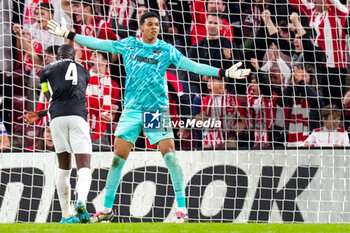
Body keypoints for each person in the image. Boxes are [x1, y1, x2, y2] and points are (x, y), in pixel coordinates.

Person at [47, 12, 250, 223]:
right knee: (117, 158)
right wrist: (70, 34)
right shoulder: (129, 45)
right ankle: (107, 210)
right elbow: (100, 43)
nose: (155, 28)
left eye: (157, 25)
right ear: (141, 27)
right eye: (151, 24)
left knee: (170, 155)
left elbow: (192, 65)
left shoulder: (165, 49)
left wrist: (223, 73)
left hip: (155, 110)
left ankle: (182, 211)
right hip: (132, 110)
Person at [19, 44, 92, 224]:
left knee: (64, 167)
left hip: (57, 119)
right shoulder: (84, 71)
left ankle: (66, 216)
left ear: (58, 56)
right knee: (84, 166)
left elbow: (49, 96)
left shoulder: (46, 70)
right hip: (78, 117)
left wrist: (39, 114)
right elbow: (76, 94)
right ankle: (81, 201)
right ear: (73, 57)